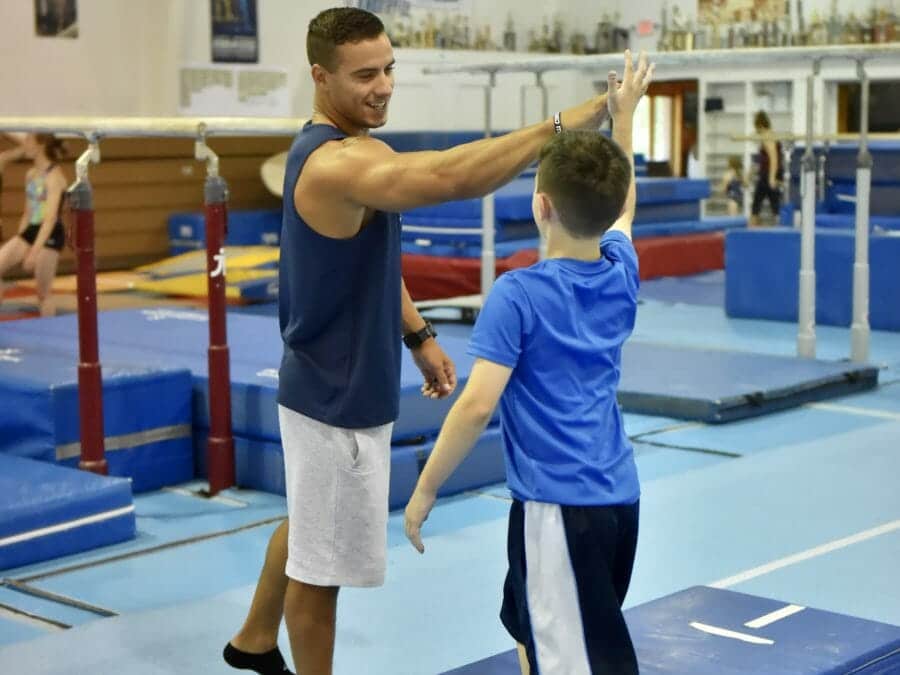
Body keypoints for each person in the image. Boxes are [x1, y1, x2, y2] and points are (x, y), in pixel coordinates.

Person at [224, 6, 622, 675]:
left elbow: (367, 259)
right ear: (320, 76)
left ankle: (253, 641)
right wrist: (559, 127)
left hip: (341, 379)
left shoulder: (354, 152)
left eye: (388, 70)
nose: (382, 86)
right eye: (363, 76)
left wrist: (417, 333)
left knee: (313, 525)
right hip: (333, 397)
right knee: (320, 576)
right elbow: (448, 178)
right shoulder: (334, 163)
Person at [404, 51, 653, 675]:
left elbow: (479, 404)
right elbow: (624, 209)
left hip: (560, 509)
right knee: (528, 622)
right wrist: (625, 119)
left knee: (577, 659)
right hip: (618, 497)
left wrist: (426, 487)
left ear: (540, 207)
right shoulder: (621, 272)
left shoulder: (519, 294)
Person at [0, 133, 67, 317]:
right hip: (33, 228)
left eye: (28, 141)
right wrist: (20, 239)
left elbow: (50, 218)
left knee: (43, 294)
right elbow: (28, 213)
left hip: (50, 233)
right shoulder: (31, 174)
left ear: (40, 146)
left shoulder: (55, 177)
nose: (24, 145)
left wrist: (34, 252)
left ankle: (49, 332)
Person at [749, 111, 783, 226]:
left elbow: (774, 158)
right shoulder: (769, 134)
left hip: (768, 175)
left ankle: (751, 231)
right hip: (768, 174)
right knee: (774, 205)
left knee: (757, 205)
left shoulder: (767, 136)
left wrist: (772, 178)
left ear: (759, 125)